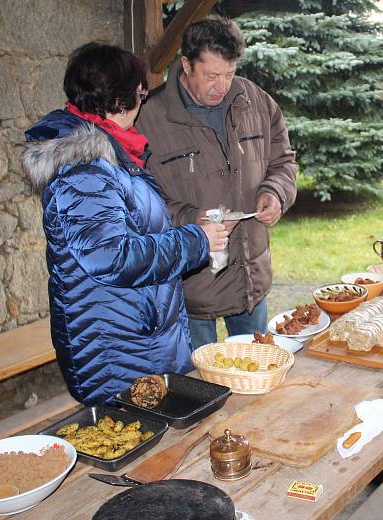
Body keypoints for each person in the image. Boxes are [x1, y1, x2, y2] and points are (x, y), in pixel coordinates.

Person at [20, 42, 228, 404]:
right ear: (122, 99)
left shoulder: (112, 155)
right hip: (116, 348)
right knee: (136, 445)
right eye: (141, 93)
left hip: (138, 336)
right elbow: (111, 257)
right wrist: (197, 241)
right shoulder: (83, 170)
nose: (143, 101)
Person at [137, 15, 297, 349]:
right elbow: (140, 200)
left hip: (248, 278)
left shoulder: (256, 102)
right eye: (211, 75)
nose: (222, 86)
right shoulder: (150, 118)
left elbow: (283, 161)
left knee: (256, 371)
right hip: (189, 287)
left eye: (229, 73)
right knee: (200, 387)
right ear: (186, 65)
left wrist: (275, 192)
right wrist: (189, 219)